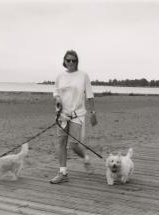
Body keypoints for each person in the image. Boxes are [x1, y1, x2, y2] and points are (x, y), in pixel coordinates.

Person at [50, 50, 98, 184]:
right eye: (68, 60)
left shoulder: (83, 76)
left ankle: (85, 158)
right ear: (64, 61)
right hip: (62, 115)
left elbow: (89, 95)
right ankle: (62, 173)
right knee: (61, 143)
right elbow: (56, 94)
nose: (71, 62)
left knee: (73, 145)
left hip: (78, 114)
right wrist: (58, 102)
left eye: (74, 60)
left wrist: (93, 113)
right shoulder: (59, 76)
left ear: (77, 62)